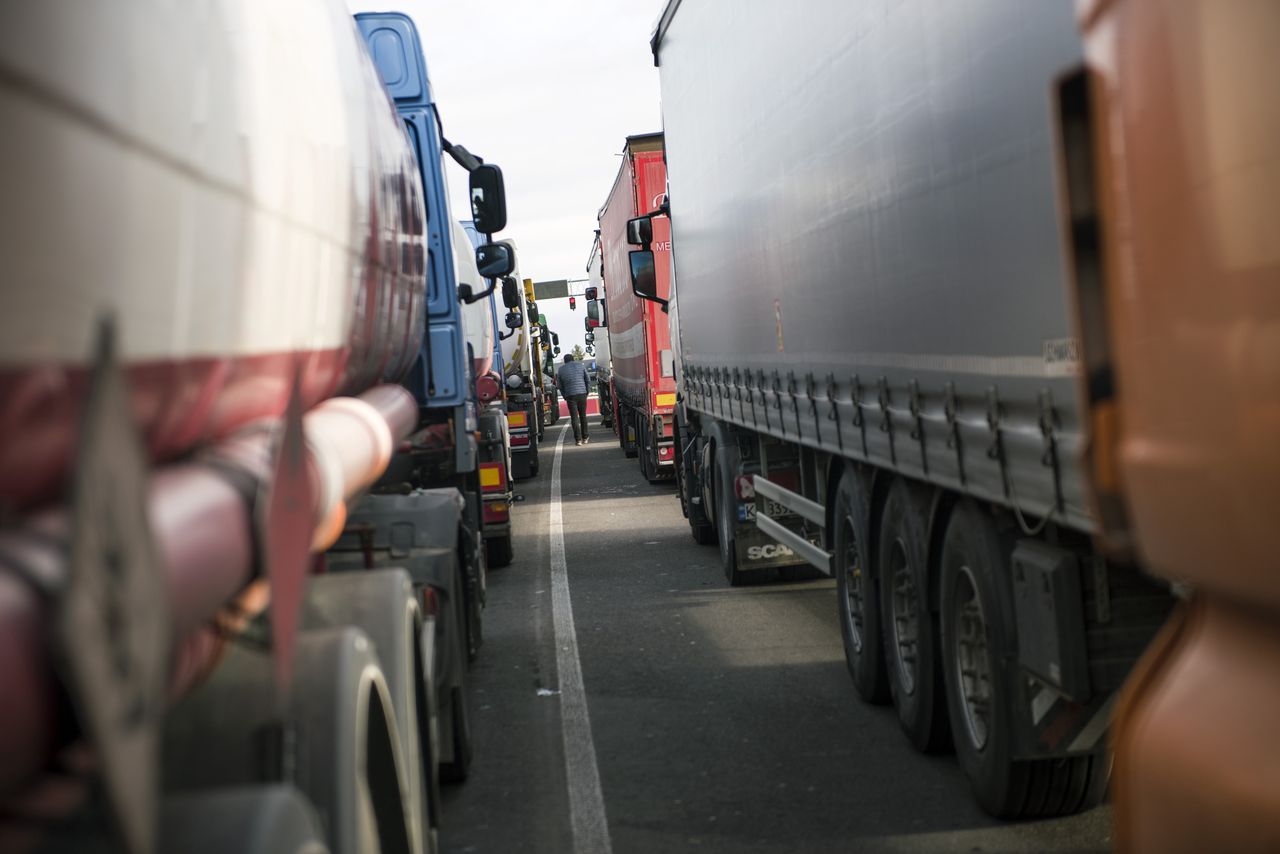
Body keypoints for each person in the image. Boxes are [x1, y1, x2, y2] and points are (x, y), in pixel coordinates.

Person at [556, 353, 590, 445]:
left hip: (570, 396)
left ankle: (578, 440)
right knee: (583, 416)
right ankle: (585, 437)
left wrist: (564, 396)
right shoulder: (581, 366)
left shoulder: (561, 369)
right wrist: (587, 391)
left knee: (574, 418)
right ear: (573, 359)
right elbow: (588, 380)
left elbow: (559, 385)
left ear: (565, 361)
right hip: (582, 393)